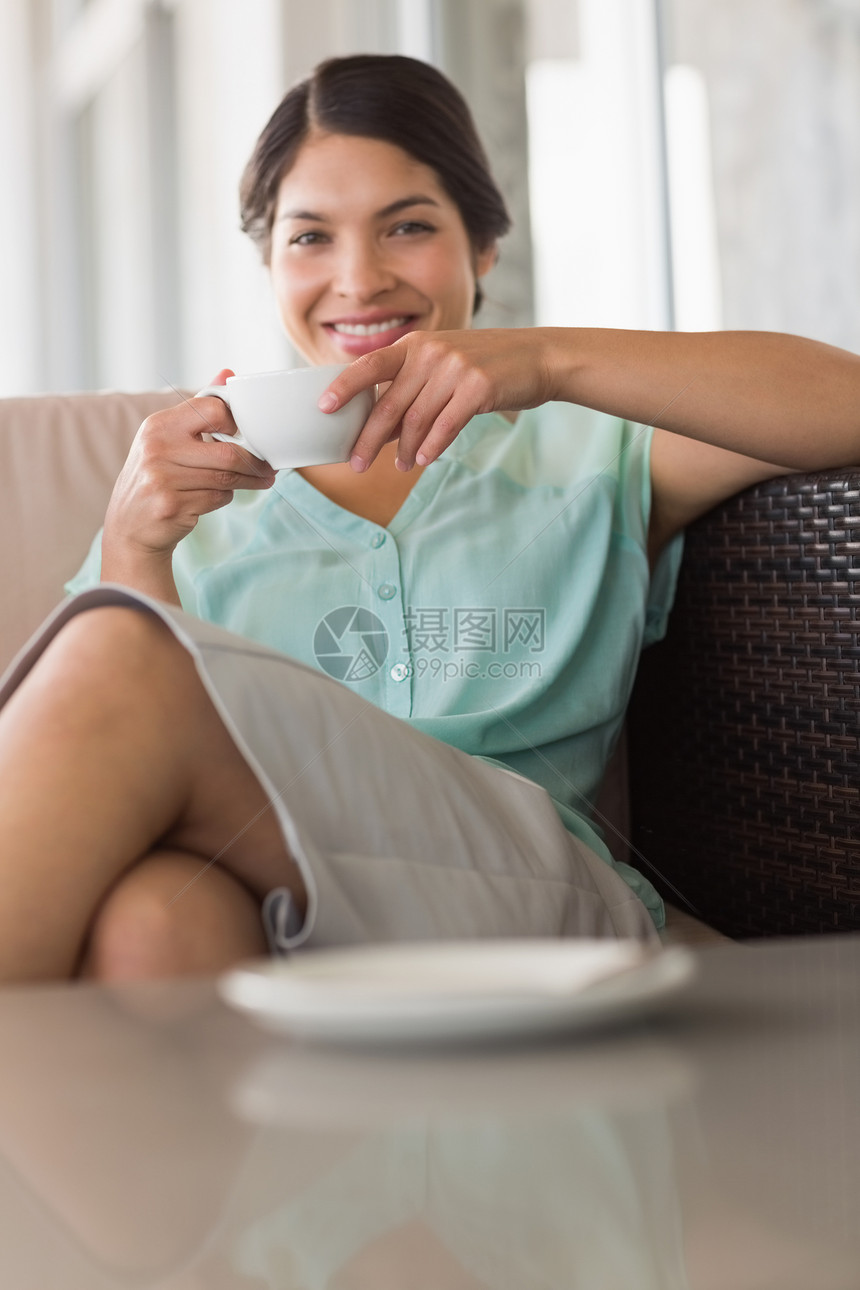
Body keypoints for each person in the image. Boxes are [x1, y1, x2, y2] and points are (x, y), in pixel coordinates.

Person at [1, 54, 858, 984]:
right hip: (283, 905)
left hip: (536, 895)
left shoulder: (591, 451)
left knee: (116, 654)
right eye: (310, 238)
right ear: (268, 263)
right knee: (152, 923)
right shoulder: (187, 503)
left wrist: (550, 359)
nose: (359, 279)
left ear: (484, 248)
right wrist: (133, 545)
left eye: (406, 226)